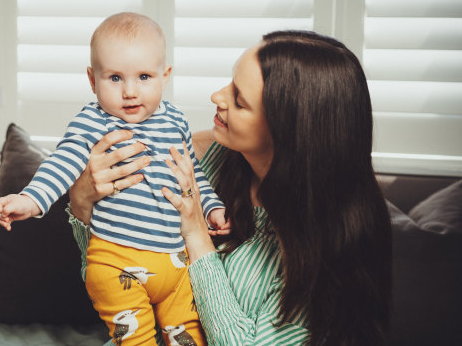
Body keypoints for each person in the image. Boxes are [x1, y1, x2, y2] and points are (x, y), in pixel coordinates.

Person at [67, 30, 393, 345]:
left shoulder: (324, 256)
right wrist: (82, 203)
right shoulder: (209, 157)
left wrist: (196, 235)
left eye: (238, 99)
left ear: (286, 132)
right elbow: (114, 283)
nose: (217, 97)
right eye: (231, 82)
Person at [0, 12, 226, 345]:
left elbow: (193, 175)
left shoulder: (175, 120)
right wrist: (30, 199)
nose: (130, 91)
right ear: (92, 80)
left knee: (190, 337)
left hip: (176, 265)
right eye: (115, 78)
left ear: (165, 75)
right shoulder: (93, 121)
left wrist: (212, 209)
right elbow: (63, 162)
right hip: (118, 264)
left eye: (144, 76)